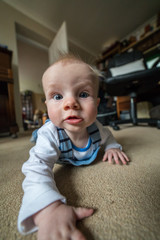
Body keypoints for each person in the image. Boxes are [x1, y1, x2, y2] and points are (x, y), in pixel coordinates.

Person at [18, 54, 129, 240]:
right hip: (51, 137)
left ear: (97, 102)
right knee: (39, 139)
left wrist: (112, 147)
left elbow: (108, 136)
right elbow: (37, 167)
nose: (70, 103)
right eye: (58, 96)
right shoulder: (51, 134)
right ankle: (34, 135)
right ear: (46, 105)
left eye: (83, 94)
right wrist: (48, 208)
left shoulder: (97, 129)